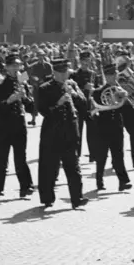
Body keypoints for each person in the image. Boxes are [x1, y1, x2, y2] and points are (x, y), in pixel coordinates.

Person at [35, 58, 87, 210]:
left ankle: (77, 198)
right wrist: (58, 104)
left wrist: (75, 95)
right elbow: (43, 110)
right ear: (55, 72)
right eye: (63, 72)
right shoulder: (45, 88)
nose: (66, 75)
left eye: (66, 72)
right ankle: (47, 198)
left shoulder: (72, 84)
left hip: (70, 132)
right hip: (52, 133)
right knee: (49, 167)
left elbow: (84, 104)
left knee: (73, 166)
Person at [0, 55, 35, 198]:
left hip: (19, 122)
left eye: (19, 65)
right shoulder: (0, 80)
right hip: (5, 123)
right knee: (2, 156)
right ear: (7, 67)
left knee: (21, 156)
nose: (17, 68)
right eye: (14, 66)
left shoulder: (23, 77)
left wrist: (25, 98)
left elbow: (30, 104)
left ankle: (26, 186)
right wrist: (10, 100)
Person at [91, 62, 132, 192]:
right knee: (101, 156)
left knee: (118, 155)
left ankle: (123, 181)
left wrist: (124, 99)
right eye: (110, 75)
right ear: (105, 76)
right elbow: (95, 109)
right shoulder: (98, 92)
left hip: (117, 125)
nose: (113, 77)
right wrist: (114, 100)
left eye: (114, 74)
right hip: (102, 126)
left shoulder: (121, 91)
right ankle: (99, 181)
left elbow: (127, 111)